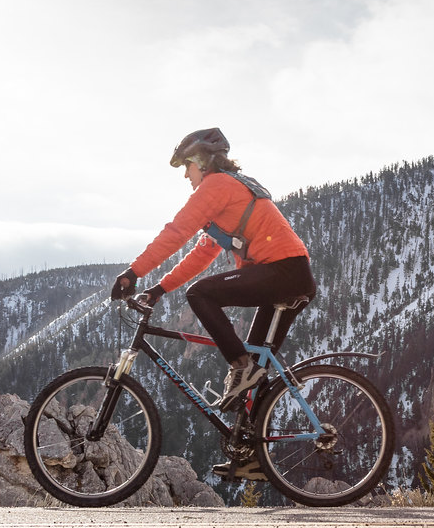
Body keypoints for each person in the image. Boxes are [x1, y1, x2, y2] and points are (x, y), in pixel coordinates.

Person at [112, 128, 314, 421]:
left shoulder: (216, 186)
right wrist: (158, 289)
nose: (185, 176)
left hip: (282, 272)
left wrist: (133, 273)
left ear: (201, 161)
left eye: (187, 166)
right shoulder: (229, 192)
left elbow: (177, 232)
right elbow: (201, 255)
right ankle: (252, 459)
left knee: (199, 293)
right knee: (254, 377)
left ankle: (240, 364)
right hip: (291, 275)